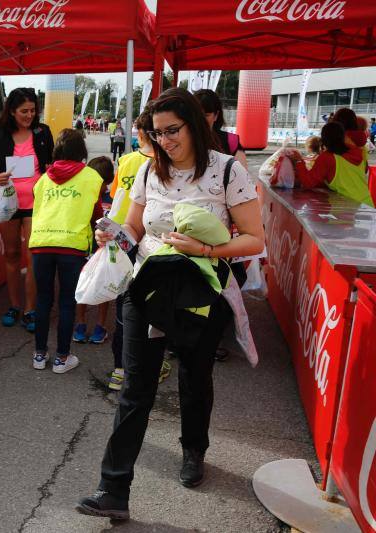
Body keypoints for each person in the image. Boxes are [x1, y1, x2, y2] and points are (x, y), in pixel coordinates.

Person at [77, 88, 264, 521]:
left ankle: (194, 451)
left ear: (196, 125)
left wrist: (204, 249)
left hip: (201, 292)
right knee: (135, 388)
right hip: (147, 288)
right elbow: (134, 230)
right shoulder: (147, 172)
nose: (164, 141)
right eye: (157, 133)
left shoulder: (227, 171)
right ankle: (113, 488)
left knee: (194, 379)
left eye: (172, 130)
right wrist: (113, 236)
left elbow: (254, 239)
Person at [102, 109, 171, 392]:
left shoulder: (127, 160)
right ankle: (151, 364)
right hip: (150, 241)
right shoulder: (160, 164)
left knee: (125, 302)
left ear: (139, 133)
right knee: (150, 305)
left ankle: (121, 367)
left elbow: (115, 196)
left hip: (125, 238)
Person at [0, 87, 54, 332]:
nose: (29, 115)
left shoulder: (43, 132)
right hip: (8, 204)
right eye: (24, 111)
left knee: (33, 255)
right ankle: (14, 305)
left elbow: (52, 164)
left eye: (33, 110)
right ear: (12, 111)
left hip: (36, 204)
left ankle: (30, 309)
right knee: (11, 254)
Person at [28, 129, 103, 373]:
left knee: (43, 298)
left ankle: (39, 355)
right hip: (72, 245)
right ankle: (62, 358)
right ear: (81, 150)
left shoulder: (42, 180)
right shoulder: (92, 177)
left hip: (41, 243)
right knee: (67, 301)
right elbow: (96, 215)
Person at [73, 155, 114, 346]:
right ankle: (80, 324)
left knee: (103, 286)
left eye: (104, 183)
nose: (101, 187)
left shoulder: (112, 197)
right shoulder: (82, 195)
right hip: (84, 245)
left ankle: (100, 326)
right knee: (82, 284)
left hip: (104, 250)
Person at [288, 121, 373, 207]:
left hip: (348, 205)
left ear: (324, 139)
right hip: (367, 204)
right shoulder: (359, 152)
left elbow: (308, 182)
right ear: (343, 137)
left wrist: (299, 161)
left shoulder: (327, 157)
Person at [194, 89, 247, 169]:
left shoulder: (231, 141)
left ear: (216, 115)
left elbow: (243, 177)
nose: (201, 119)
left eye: (206, 115)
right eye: (197, 114)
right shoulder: (183, 141)